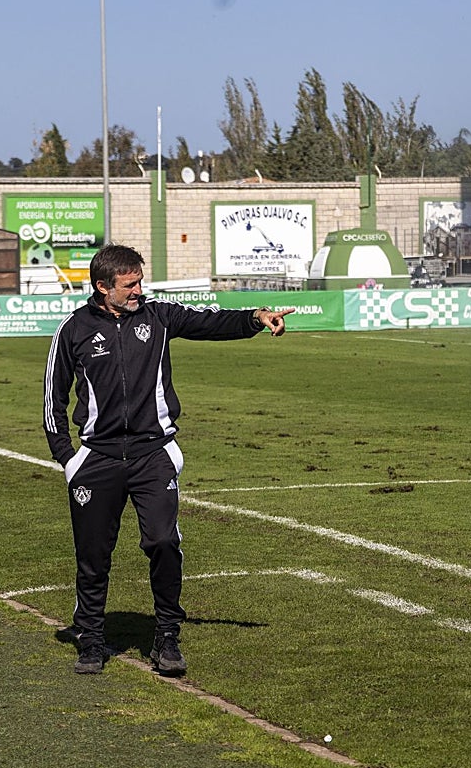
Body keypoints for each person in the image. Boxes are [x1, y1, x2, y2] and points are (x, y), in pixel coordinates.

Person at [43, 244, 293, 675]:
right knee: (92, 555)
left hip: (152, 455)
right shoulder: (73, 330)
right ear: (103, 287)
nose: (139, 289)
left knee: (162, 541)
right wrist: (69, 458)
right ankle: (91, 638)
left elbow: (209, 321)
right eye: (130, 284)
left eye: (140, 281)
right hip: (96, 460)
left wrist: (255, 318)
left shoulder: (157, 316)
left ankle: (167, 637)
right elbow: (53, 397)